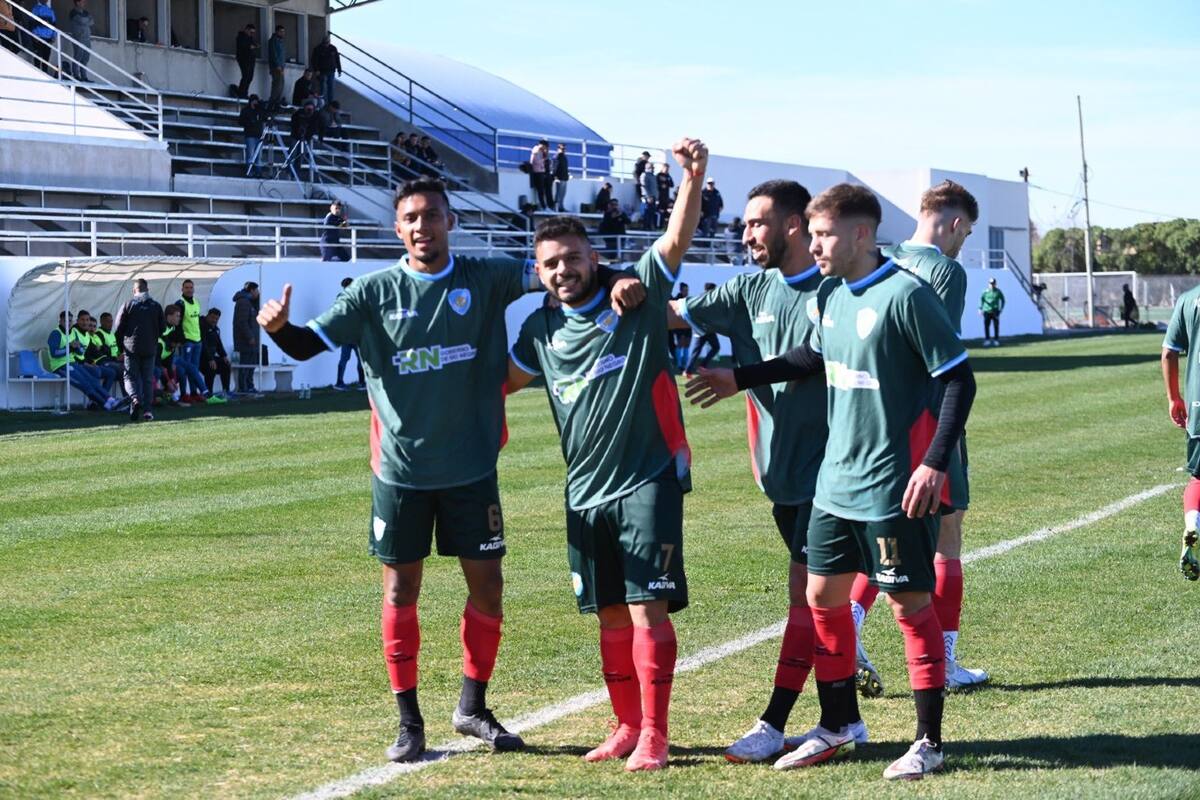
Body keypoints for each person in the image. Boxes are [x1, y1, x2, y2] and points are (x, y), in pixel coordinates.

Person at [254, 177, 646, 764]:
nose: (422, 227)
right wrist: (280, 327)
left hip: (471, 469)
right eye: (411, 218)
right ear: (397, 229)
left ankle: (472, 707)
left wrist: (620, 277)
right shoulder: (372, 291)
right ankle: (408, 721)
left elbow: (560, 268)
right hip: (401, 472)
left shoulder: (485, 277)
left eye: (432, 216)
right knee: (399, 589)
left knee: (488, 588)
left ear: (449, 222)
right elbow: (310, 346)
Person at [686, 183, 976, 780]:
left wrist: (934, 462)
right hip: (833, 485)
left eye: (823, 234)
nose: (813, 244)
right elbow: (807, 358)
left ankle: (929, 741)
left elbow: (957, 381)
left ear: (861, 234)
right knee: (821, 599)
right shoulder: (831, 298)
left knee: (907, 603)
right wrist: (738, 377)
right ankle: (839, 723)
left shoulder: (906, 295)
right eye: (811, 233)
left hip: (891, 484)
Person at [505, 136, 708, 772]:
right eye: (550, 265)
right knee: (609, 615)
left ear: (594, 257)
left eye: (571, 258)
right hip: (583, 493)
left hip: (645, 481)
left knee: (648, 608)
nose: (563, 270)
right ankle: (625, 724)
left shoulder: (636, 300)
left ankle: (656, 733)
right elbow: (499, 384)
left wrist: (693, 178)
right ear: (538, 274)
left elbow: (675, 240)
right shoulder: (538, 330)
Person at [667, 179, 843, 762]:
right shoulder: (748, 290)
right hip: (782, 476)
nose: (745, 236)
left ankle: (789, 722)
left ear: (794, 225)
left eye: (756, 224)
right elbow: (675, 314)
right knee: (813, 599)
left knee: (813, 597)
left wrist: (738, 378)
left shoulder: (830, 288)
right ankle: (838, 715)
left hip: (834, 472)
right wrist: (619, 289)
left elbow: (815, 354)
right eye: (744, 225)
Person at [851, 179, 986, 696]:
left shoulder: (877, 259)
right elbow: (941, 360)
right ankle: (946, 663)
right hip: (929, 425)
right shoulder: (945, 272)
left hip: (874, 426)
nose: (962, 244)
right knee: (946, 541)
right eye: (966, 233)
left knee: (883, 535)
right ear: (953, 223)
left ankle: (853, 624)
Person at [1161, 289, 1200, 582]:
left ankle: (1191, 523)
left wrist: (1174, 398)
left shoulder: (1188, 299)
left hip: (1198, 407)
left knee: (1199, 479)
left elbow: (1169, 351)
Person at [114, 279, 164, 420]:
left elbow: (118, 328)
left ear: (134, 290)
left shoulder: (128, 305)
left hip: (131, 348)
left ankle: (135, 399)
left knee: (129, 377)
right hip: (150, 348)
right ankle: (148, 411)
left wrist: (120, 347)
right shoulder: (156, 306)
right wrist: (153, 338)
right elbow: (163, 328)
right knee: (147, 379)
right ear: (147, 290)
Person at [48, 312, 117, 410]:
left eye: (70, 320)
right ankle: (105, 405)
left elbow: (80, 353)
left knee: (92, 380)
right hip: (60, 366)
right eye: (65, 320)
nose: (68, 323)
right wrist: (70, 347)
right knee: (84, 384)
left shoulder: (71, 332)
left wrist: (78, 348)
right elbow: (54, 353)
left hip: (73, 363)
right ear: (60, 321)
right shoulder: (55, 333)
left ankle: (111, 400)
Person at [333, 277, 365, 391]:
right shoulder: (356, 297)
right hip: (355, 334)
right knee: (360, 359)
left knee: (344, 358)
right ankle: (361, 383)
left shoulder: (340, 298)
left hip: (346, 334)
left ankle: (339, 382)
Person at [682, 283, 720, 374]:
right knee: (712, 348)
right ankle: (694, 368)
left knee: (699, 350)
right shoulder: (706, 299)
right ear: (710, 290)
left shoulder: (702, 298)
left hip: (703, 329)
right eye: (714, 290)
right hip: (703, 329)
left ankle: (691, 369)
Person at [232, 282, 260, 394]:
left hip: (251, 341)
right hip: (245, 341)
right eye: (257, 290)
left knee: (251, 364)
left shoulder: (250, 302)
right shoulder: (243, 302)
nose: (258, 293)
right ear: (252, 290)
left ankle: (249, 386)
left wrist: (257, 300)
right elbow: (242, 322)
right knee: (245, 365)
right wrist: (250, 337)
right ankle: (244, 388)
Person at [200, 308, 231, 396]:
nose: (214, 320)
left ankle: (226, 391)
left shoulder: (215, 329)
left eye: (216, 319)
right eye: (212, 318)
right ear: (208, 316)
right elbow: (204, 345)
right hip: (201, 358)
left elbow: (218, 344)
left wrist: (224, 356)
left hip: (211, 358)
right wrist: (210, 359)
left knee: (226, 365)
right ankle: (209, 393)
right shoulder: (201, 326)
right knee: (211, 367)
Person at [239, 95, 266, 177]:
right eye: (255, 100)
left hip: (259, 135)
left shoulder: (260, 110)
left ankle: (258, 172)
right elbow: (240, 121)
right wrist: (249, 122)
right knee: (250, 155)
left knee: (259, 156)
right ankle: (249, 172)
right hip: (250, 135)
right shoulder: (246, 110)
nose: (256, 102)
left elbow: (264, 118)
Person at [67, 0, 94, 81]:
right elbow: (82, 21)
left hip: (87, 38)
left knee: (85, 58)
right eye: (82, 2)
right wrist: (87, 20)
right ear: (77, 3)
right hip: (78, 38)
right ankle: (76, 76)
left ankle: (84, 77)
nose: (84, 3)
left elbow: (92, 21)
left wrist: (86, 21)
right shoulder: (73, 12)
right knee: (78, 56)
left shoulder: (86, 12)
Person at [311, 33, 341, 104]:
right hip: (321, 71)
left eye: (327, 42)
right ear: (322, 42)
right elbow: (314, 60)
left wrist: (339, 69)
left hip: (331, 71)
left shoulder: (333, 48)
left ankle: (330, 104)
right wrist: (316, 70)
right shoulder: (318, 49)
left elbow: (337, 59)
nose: (326, 44)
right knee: (322, 88)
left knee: (330, 88)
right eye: (325, 42)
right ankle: (321, 103)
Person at [29, 0, 56, 76]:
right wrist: (34, 35)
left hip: (48, 38)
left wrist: (54, 36)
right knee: (38, 58)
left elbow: (54, 25)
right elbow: (32, 23)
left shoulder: (51, 10)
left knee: (46, 58)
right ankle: (36, 76)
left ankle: (45, 75)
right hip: (38, 38)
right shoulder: (35, 9)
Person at [670, 283, 691, 371]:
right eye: (685, 290)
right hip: (679, 326)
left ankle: (685, 363)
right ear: (681, 290)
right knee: (680, 343)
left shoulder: (688, 299)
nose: (686, 292)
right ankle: (678, 364)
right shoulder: (676, 300)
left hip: (687, 325)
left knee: (686, 344)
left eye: (687, 290)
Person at [234, 23, 258, 99]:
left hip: (251, 60)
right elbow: (243, 47)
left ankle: (244, 92)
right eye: (251, 32)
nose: (252, 34)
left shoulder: (250, 38)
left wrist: (255, 46)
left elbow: (253, 45)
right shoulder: (241, 37)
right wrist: (250, 47)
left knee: (250, 77)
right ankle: (241, 93)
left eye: (253, 33)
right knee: (245, 76)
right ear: (246, 30)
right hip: (243, 59)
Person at [980, 278, 1005, 346]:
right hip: (986, 311)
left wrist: (1001, 309)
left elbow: (1003, 300)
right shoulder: (985, 292)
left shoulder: (998, 291)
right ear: (988, 284)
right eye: (991, 283)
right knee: (986, 326)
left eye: (993, 283)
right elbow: (981, 300)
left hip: (995, 311)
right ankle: (987, 340)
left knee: (996, 326)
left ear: (995, 284)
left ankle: (996, 340)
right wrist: (980, 309)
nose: (992, 285)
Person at [529, 140, 551, 210]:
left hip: (541, 172)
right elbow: (534, 162)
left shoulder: (541, 151)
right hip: (537, 172)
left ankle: (544, 205)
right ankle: (543, 206)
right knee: (540, 190)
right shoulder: (536, 150)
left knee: (543, 190)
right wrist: (543, 160)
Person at [267, 25, 286, 107]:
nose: (283, 33)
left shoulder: (281, 41)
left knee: (281, 83)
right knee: (277, 83)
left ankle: (277, 101)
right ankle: (273, 100)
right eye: (281, 31)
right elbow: (274, 54)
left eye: (283, 31)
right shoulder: (273, 41)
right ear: (277, 31)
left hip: (281, 67)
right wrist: (277, 65)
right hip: (276, 67)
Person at [552, 143, 570, 212]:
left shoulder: (564, 157)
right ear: (558, 149)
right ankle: (556, 207)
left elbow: (566, 167)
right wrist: (555, 177)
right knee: (558, 193)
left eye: (564, 149)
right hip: (559, 178)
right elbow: (554, 167)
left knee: (563, 193)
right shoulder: (557, 156)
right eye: (562, 149)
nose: (564, 150)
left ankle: (561, 207)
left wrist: (567, 175)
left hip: (564, 177)